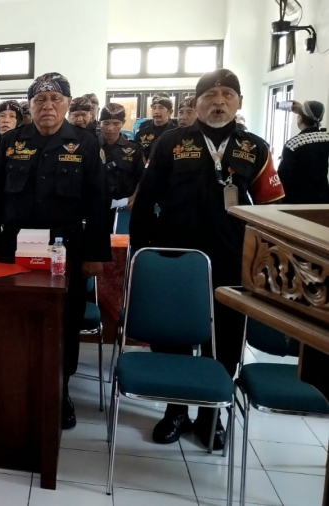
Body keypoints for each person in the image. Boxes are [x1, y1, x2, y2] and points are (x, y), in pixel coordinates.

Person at [130, 69, 285, 450]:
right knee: (172, 336)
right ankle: (175, 411)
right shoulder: (170, 143)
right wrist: (141, 252)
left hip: (233, 258)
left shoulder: (255, 148)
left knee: (226, 339)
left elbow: (274, 209)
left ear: (239, 102)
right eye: (210, 96)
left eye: (227, 95)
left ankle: (211, 415)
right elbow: (145, 199)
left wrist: (268, 261)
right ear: (196, 103)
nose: (218, 102)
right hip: (175, 257)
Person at [0, 73, 110, 429]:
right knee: (15, 320)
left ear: (67, 104)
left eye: (56, 99)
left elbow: (98, 203)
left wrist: (95, 254)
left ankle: (60, 389)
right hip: (14, 248)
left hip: (65, 248)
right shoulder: (10, 142)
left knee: (64, 322)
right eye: (40, 100)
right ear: (30, 106)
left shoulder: (85, 144)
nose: (48, 106)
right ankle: (16, 386)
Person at [99, 103, 145, 219]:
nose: (110, 128)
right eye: (106, 123)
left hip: (124, 206)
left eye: (116, 123)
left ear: (123, 123)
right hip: (97, 206)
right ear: (100, 123)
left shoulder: (134, 148)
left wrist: (135, 197)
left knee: (121, 232)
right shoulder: (91, 146)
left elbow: (143, 177)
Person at [278, 100, 329, 204]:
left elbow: (283, 176)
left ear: (300, 119)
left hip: (297, 202)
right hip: (322, 200)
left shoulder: (294, 143)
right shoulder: (326, 138)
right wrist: (303, 111)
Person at [136, 93, 177, 160]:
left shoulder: (176, 130)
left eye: (161, 108)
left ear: (170, 112)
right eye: (154, 108)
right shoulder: (142, 131)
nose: (156, 112)